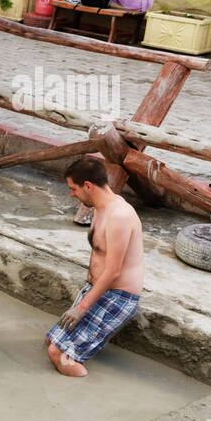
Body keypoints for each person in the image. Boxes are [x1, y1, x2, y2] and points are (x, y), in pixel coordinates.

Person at [45, 157, 144, 377]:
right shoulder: (100, 207)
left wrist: (82, 308)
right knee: (50, 341)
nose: (71, 194)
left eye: (73, 189)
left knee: (57, 354)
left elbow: (113, 271)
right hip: (97, 290)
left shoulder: (119, 216)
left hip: (118, 296)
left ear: (88, 186)